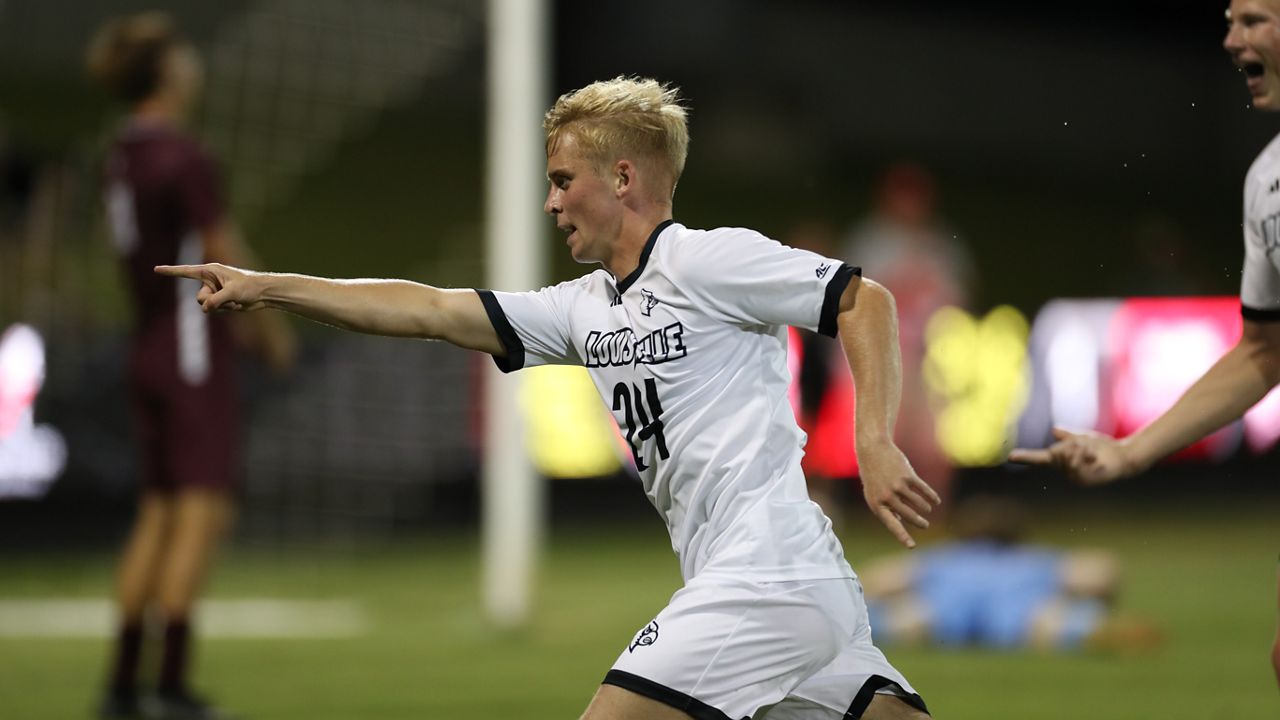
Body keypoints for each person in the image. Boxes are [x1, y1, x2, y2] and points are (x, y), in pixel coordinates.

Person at [158, 77, 937, 719]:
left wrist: (873, 438)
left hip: (769, 573)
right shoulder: (583, 308)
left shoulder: (707, 261)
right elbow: (430, 309)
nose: (551, 203)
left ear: (623, 178)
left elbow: (863, 301)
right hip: (781, 588)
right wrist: (271, 288)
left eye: (563, 181)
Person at [1009, 0, 1280, 689]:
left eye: (1253, 19)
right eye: (1229, 20)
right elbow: (1262, 349)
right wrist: (1130, 450)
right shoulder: (1267, 183)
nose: (1230, 39)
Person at [86, 12, 295, 719]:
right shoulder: (184, 156)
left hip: (142, 345)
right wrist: (271, 329)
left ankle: (121, 685)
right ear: (170, 72)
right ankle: (170, 686)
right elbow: (220, 250)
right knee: (198, 516)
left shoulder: (120, 152)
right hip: (190, 353)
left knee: (157, 512)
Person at [859, 495, 1160, 653]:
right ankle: (1094, 633)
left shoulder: (945, 557)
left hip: (943, 607)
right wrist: (1100, 602)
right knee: (1049, 624)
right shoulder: (1032, 560)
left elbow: (879, 579)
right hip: (1020, 605)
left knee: (905, 622)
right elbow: (1099, 573)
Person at [842, 163, 975, 509]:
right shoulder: (871, 240)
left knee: (933, 443)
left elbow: (957, 297)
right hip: (881, 350)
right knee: (883, 433)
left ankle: (934, 515)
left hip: (929, 353)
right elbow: (851, 297)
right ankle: (880, 512)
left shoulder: (939, 243)